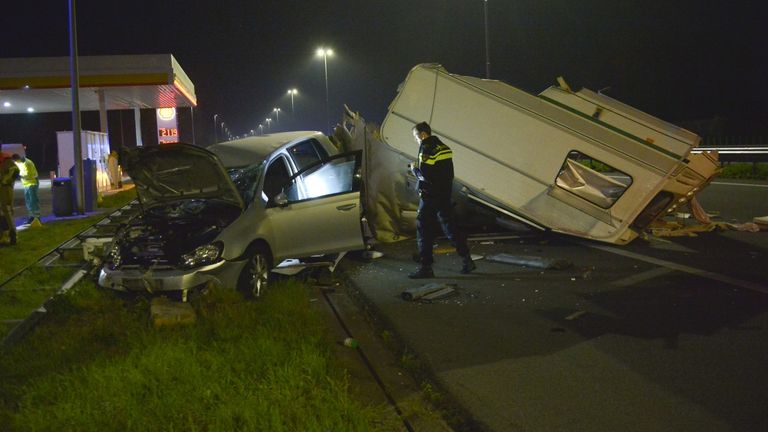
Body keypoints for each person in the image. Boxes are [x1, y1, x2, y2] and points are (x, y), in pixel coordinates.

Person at [408, 121, 475, 278]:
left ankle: (426, 268)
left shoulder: (425, 148)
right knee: (450, 227)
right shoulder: (443, 147)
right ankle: (467, 260)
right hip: (444, 194)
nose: (415, 140)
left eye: (415, 136)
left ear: (422, 134)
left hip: (430, 195)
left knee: (423, 229)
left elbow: (425, 176)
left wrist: (414, 169)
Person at [12, 153, 41, 224]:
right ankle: (31, 217)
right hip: (26, 184)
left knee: (33, 201)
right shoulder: (18, 162)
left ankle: (37, 218)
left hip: (32, 183)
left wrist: (18, 175)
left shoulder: (27, 163)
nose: (15, 163)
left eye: (16, 161)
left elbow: (27, 175)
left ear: (18, 159)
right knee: (28, 201)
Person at [0, 152, 20, 244]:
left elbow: (15, 169)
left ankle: (11, 235)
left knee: (6, 210)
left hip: (5, 189)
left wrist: (5, 180)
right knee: (4, 211)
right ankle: (5, 235)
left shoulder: (5, 159)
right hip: (4, 188)